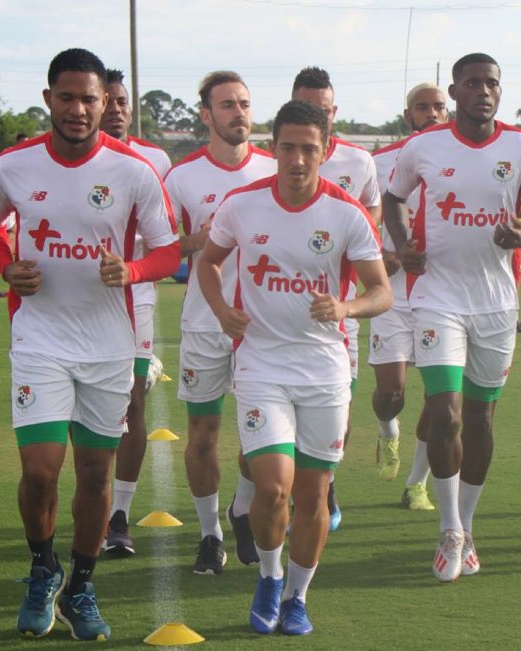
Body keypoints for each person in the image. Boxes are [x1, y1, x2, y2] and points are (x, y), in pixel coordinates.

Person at [0, 48, 181, 640]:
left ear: (104, 102)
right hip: (39, 338)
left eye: (89, 98)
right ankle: (43, 571)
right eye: (66, 97)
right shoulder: (12, 165)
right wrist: (5, 265)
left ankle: (81, 587)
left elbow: (169, 250)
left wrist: (132, 271)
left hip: (110, 345)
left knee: (95, 475)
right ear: (48, 99)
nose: (78, 109)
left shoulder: (134, 170)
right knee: (41, 472)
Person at [197, 99, 391, 635]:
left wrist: (347, 307)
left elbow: (381, 291)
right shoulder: (242, 205)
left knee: (313, 495)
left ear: (325, 151)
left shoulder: (346, 213)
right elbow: (208, 262)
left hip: (324, 372)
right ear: (272, 148)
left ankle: (297, 597)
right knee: (273, 487)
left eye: (309, 149)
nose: (298, 159)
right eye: (288, 148)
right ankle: (269, 576)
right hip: (261, 364)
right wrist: (221, 310)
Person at [382, 53, 521, 582]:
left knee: (481, 420)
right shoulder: (424, 147)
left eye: (492, 83)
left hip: (497, 305)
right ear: (455, 92)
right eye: (473, 83)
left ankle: (468, 524)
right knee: (446, 414)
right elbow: (393, 199)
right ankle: (449, 531)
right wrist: (402, 243)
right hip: (437, 298)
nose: (484, 91)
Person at [166, 70, 275, 574]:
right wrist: (199, 241)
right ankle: (210, 534)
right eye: (228, 105)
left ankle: (242, 507)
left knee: (262, 435)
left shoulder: (274, 169)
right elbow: (159, 248)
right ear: (206, 115)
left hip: (263, 327)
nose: (239, 113)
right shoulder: (182, 177)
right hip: (205, 323)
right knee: (204, 434)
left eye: (245, 104)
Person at [292, 66, 382, 531]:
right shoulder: (277, 159)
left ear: (334, 112)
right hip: (279, 311)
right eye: (307, 107)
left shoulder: (359, 162)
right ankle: (276, 493)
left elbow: (372, 213)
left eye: (323, 110)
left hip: (339, 311)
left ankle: (325, 485)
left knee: (338, 409)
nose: (317, 116)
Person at [98, 68, 173, 558]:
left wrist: (137, 268)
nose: (117, 110)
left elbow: (167, 233)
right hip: (77, 305)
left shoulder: (155, 160)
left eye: (123, 101)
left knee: (132, 405)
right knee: (89, 412)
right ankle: (93, 501)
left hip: (136, 297)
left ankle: (119, 515)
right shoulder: (64, 159)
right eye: (108, 101)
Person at [370, 82, 448, 509]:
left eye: (438, 107)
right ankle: (388, 431)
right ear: (408, 115)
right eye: (422, 107)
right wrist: (380, 254)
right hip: (392, 294)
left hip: (442, 296)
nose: (431, 114)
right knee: (391, 393)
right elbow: (358, 218)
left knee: (440, 398)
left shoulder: (460, 160)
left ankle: (417, 483)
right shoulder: (380, 162)